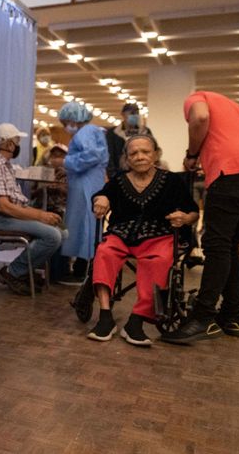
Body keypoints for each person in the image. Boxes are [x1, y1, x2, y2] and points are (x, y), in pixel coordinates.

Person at [161, 91, 239, 344]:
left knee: (216, 245)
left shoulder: (198, 97)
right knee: (230, 246)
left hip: (230, 174)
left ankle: (203, 318)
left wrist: (192, 154)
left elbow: (199, 118)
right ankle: (232, 316)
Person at [88, 135, 199, 346]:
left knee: (158, 262)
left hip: (159, 236)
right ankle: (104, 316)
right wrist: (101, 199)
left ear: (155, 154)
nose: (139, 157)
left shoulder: (172, 181)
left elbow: (193, 211)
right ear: (127, 159)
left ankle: (135, 322)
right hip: (122, 235)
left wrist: (185, 218)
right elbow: (101, 195)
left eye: (145, 152)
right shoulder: (119, 180)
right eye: (133, 153)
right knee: (105, 252)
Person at [0, 123, 63, 295]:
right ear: (8, 144)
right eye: (16, 142)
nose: (18, 146)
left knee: (62, 231)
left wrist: (38, 214)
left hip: (7, 213)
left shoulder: (4, 165)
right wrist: (39, 215)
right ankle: (12, 272)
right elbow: (4, 206)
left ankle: (24, 271)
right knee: (53, 235)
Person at [59, 102, 108, 283]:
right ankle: (82, 268)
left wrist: (66, 163)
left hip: (85, 184)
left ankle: (80, 271)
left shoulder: (86, 132)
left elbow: (91, 155)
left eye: (66, 122)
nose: (66, 127)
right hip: (89, 182)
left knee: (81, 226)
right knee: (87, 226)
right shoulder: (93, 131)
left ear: (74, 118)